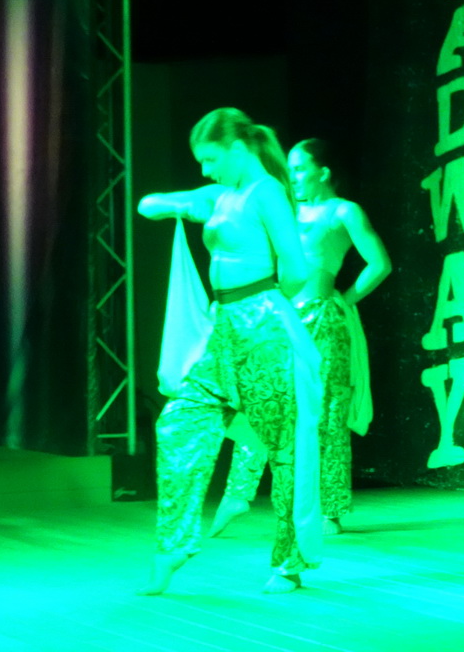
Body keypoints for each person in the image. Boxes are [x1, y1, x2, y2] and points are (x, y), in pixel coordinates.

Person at [136, 107, 322, 595]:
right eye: (201, 161)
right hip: (223, 328)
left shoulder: (267, 193)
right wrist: (178, 203)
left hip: (263, 323)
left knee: (284, 446)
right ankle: (173, 547)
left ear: (238, 149)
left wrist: (266, 306)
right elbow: (150, 204)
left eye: (211, 157)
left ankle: (290, 562)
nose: (205, 168)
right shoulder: (221, 194)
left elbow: (297, 267)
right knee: (178, 423)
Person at [209, 137, 392, 538]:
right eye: (289, 169)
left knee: (325, 413)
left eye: (299, 168)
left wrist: (346, 297)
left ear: (322, 172)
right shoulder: (283, 208)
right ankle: (238, 493)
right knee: (261, 405)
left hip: (322, 320)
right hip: (277, 317)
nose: (292, 177)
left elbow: (379, 262)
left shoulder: (343, 211)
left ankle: (330, 510)